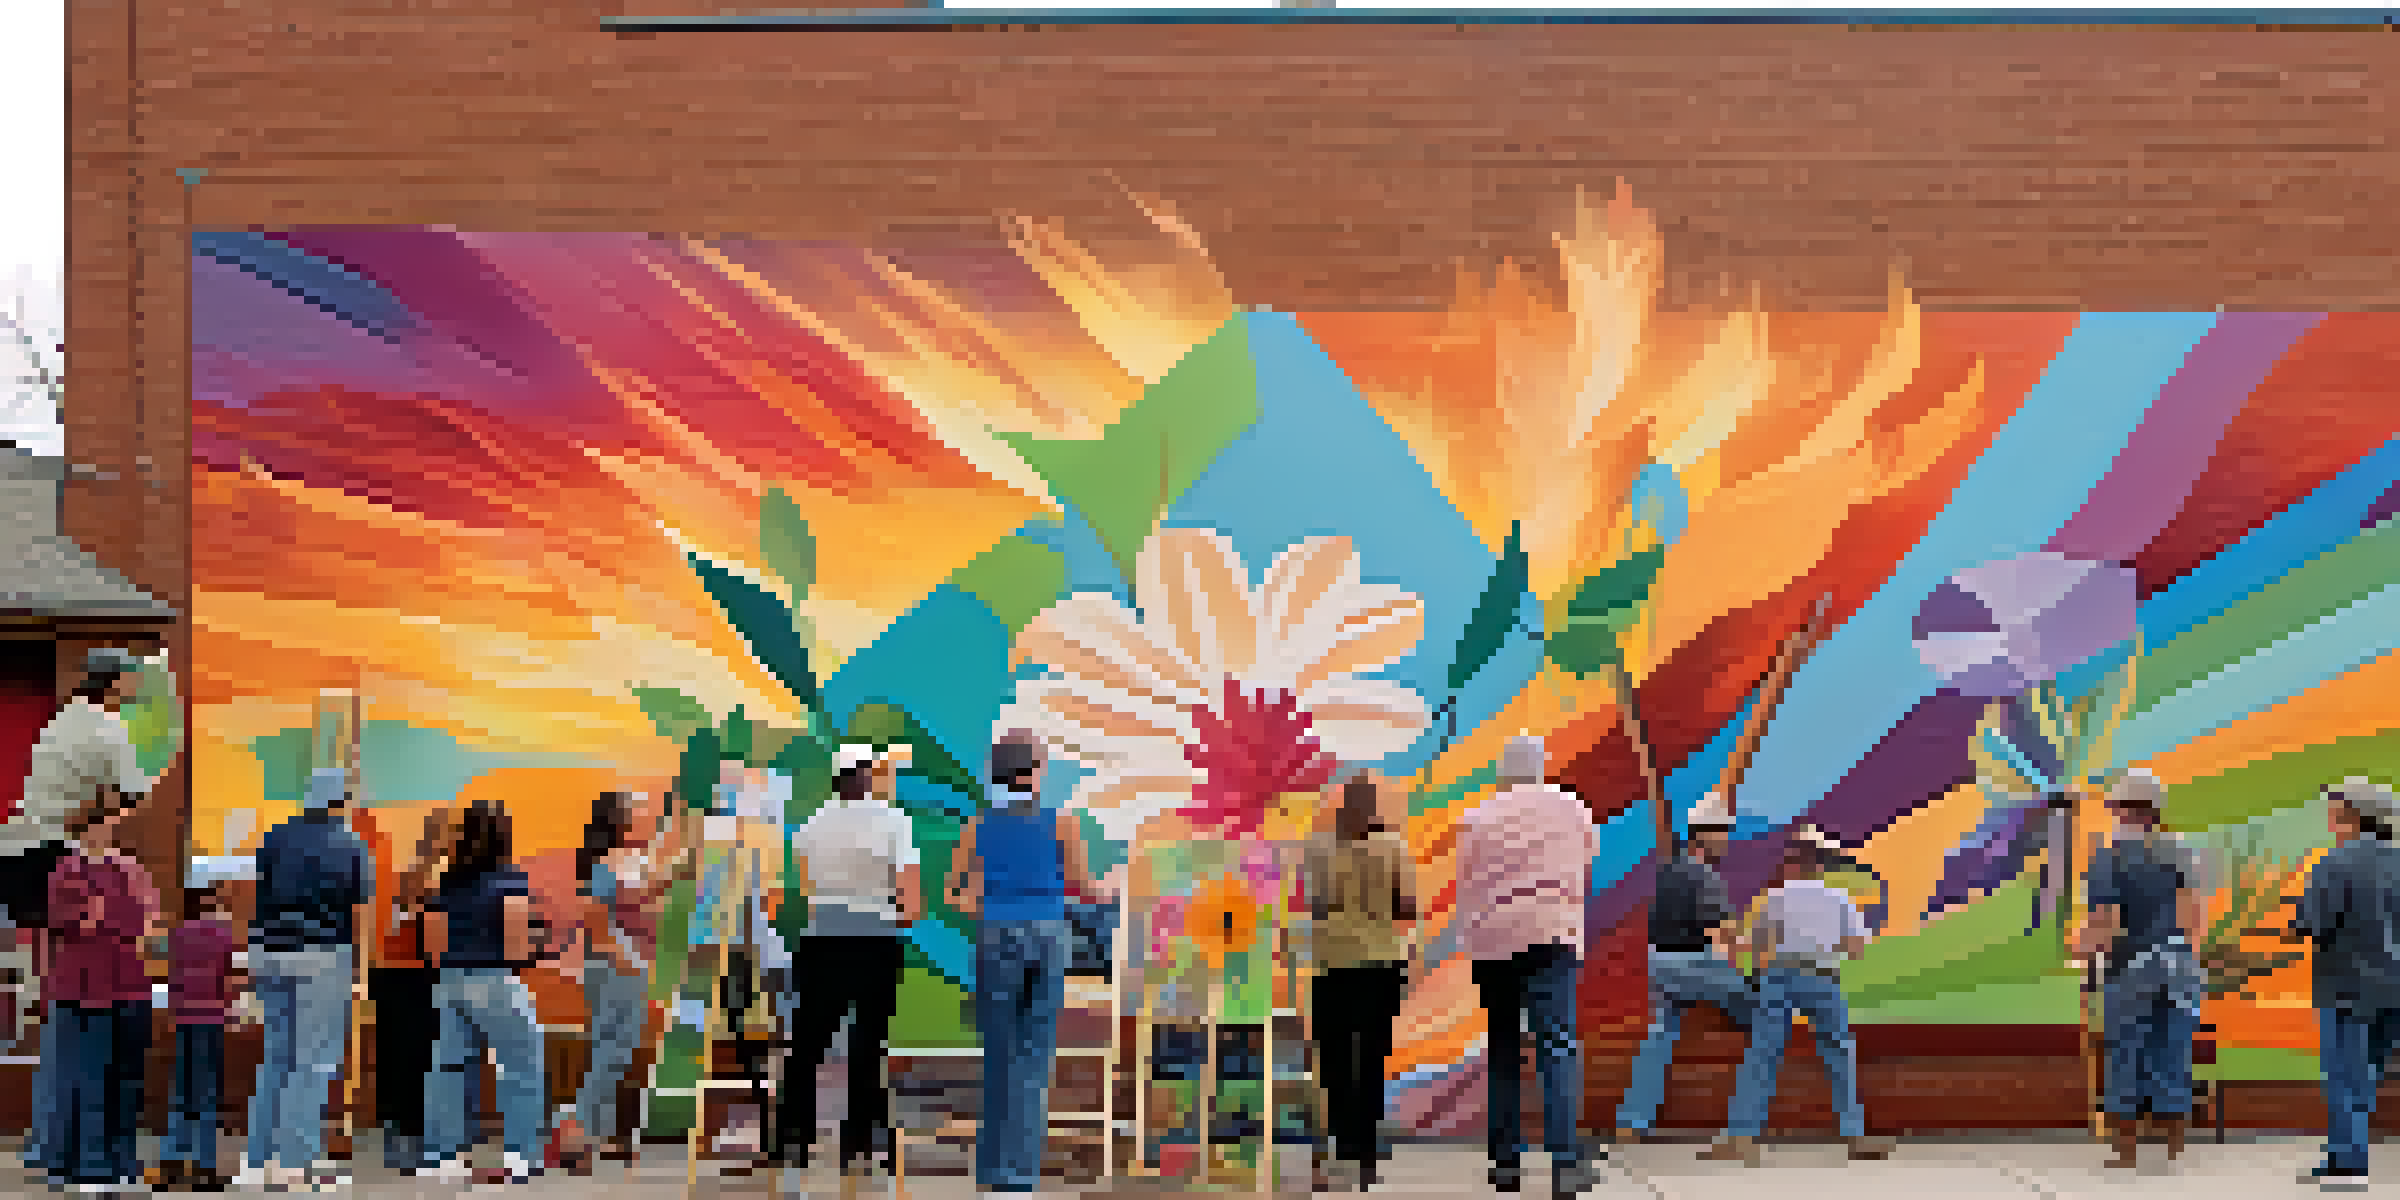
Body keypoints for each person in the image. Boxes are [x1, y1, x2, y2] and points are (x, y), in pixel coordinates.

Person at [9, 648, 154, 1175]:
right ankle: (76, 1153)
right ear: (114, 682)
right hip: (50, 855)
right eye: (132, 678)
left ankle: (48, 1146)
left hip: (23, 855)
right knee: (81, 1034)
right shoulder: (108, 729)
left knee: (58, 1018)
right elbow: (135, 791)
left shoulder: (63, 719)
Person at [947, 732, 1100, 1194]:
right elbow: (1083, 886)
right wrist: (1109, 889)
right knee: (1033, 1057)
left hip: (995, 936)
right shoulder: (1063, 825)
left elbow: (954, 893)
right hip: (1048, 936)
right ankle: (1019, 1179)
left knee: (998, 1054)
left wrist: (984, 906)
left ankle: (993, 1175)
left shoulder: (976, 826)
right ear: (1033, 771)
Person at [1456, 735, 1599, 1198]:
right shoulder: (1572, 808)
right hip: (1552, 936)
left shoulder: (1478, 816)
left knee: (1502, 1049)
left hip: (1494, 942)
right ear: (1540, 768)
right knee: (1557, 1045)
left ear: (1503, 770)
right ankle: (1565, 1163)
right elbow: (1586, 860)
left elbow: (1466, 880)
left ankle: (1505, 1164)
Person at [772, 747, 927, 1175]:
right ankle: (857, 1144)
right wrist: (888, 911)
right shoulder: (894, 822)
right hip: (875, 940)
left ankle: (792, 1141)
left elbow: (806, 892)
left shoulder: (811, 827)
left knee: (807, 1045)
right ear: (869, 775)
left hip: (820, 941)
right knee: (867, 1044)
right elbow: (910, 903)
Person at [1702, 825, 1894, 1167]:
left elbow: (1758, 946)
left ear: (1792, 861)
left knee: (1763, 1054)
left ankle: (1741, 1137)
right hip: (1824, 978)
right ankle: (1854, 1133)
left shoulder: (1774, 898)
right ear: (1821, 864)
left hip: (1778, 977)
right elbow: (1857, 949)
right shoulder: (1839, 900)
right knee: (1839, 1054)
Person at [240, 766, 375, 1192]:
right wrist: (359, 972)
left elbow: (255, 893)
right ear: (343, 801)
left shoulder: (275, 837)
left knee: (276, 1056)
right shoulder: (351, 845)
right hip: (321, 955)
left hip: (268, 954)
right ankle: (294, 1163)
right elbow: (358, 912)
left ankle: (257, 1161)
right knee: (313, 1059)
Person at [2070, 769, 2210, 1170]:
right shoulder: (2183, 850)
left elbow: (2103, 919)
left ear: (2121, 809)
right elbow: (2193, 912)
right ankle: (2173, 1148)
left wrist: (2085, 963)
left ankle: (2126, 1150)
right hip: (2180, 962)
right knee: (2174, 1051)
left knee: (2124, 1052)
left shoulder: (2110, 854)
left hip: (2130, 964)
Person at [560, 789, 694, 1172]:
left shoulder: (624, 859)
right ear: (616, 818)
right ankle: (578, 1131)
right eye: (632, 810)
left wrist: (688, 852)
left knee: (615, 1050)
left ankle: (590, 1136)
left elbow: (646, 892)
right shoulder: (604, 861)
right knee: (612, 1050)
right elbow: (595, 915)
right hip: (616, 966)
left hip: (623, 964)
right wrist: (624, 958)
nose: (639, 815)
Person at [419, 796, 549, 1185]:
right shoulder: (510, 878)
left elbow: (432, 943)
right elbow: (515, 942)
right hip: (494, 979)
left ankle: (443, 1158)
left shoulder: (449, 881)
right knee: (523, 1067)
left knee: (449, 1069)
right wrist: (534, 945)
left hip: (450, 980)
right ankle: (521, 1157)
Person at [1615, 790, 1756, 1143]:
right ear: (1702, 834)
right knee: (1764, 1008)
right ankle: (1746, 1122)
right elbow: (1726, 934)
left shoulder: (1668, 870)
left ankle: (1632, 1122)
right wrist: (1751, 974)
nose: (1725, 841)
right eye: (1721, 832)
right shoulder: (1705, 876)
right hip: (1693, 963)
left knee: (1660, 1035)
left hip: (1658, 962)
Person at [43, 785, 164, 1191]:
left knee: (128, 1078)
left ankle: (122, 1159)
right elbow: (79, 922)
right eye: (112, 816)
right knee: (92, 1077)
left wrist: (122, 921)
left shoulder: (130, 868)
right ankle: (91, 1163)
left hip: (132, 986)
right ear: (92, 824)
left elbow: (149, 922)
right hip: (85, 990)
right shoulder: (68, 871)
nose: (118, 824)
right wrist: (118, 920)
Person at [1303, 772, 1420, 1191]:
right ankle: (1366, 1151)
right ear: (1372, 806)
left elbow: (1313, 903)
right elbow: (1409, 905)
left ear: (1340, 804)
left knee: (1333, 1055)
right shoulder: (1392, 846)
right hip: (1380, 962)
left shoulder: (1316, 846)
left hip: (1331, 962)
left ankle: (1343, 1142)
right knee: (1371, 1056)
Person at [2291, 777, 2400, 1189]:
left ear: (2353, 814)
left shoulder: (2335, 863)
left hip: (2347, 989)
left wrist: (2294, 920)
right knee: (2367, 1074)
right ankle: (2339, 1157)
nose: (2329, 812)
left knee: (2344, 1076)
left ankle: (2351, 1167)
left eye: (2335, 805)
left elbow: (2314, 926)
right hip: (2394, 988)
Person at [358, 805, 449, 1174]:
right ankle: (405, 1138)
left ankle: (406, 1136)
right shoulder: (419, 875)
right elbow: (412, 921)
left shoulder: (419, 874)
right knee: (409, 1058)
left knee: (406, 1058)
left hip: (403, 974)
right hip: (409, 975)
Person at [156, 869, 244, 1192]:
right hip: (212, 1020)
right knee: (207, 1094)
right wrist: (231, 1009)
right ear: (212, 900)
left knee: (181, 1090)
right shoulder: (223, 935)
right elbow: (229, 979)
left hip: (183, 1019)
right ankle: (206, 1167)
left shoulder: (176, 935)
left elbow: (173, 976)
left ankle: (171, 1163)